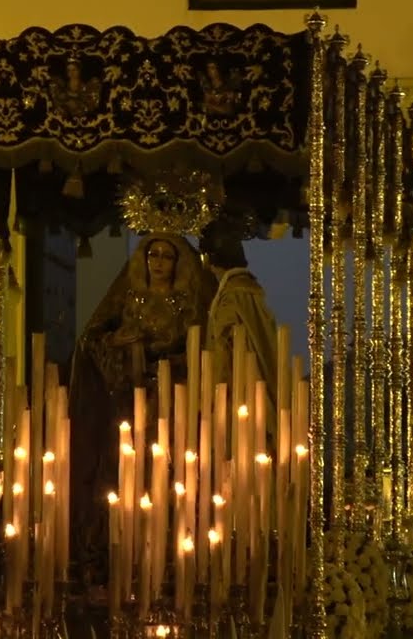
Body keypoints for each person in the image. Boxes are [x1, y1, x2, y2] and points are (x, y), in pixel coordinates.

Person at [67, 233, 214, 589]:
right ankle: (114, 549)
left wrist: (168, 365)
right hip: (125, 398)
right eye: (153, 254)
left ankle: (169, 546)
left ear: (179, 264)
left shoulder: (188, 303)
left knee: (168, 469)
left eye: (167, 256)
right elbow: (91, 338)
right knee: (120, 469)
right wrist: (117, 342)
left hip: (172, 398)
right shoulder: (128, 296)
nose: (159, 262)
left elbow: (203, 348)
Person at [200, 220, 278, 418]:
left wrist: (211, 395)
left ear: (209, 259)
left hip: (239, 390)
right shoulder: (247, 290)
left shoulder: (232, 296)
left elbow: (226, 346)